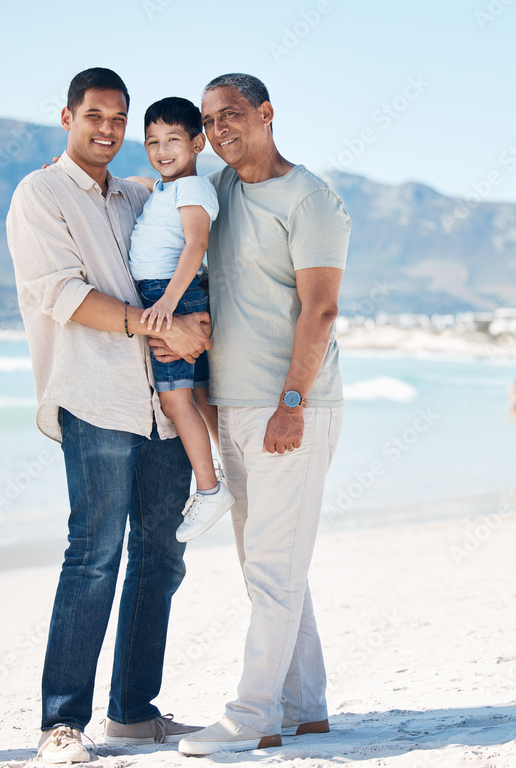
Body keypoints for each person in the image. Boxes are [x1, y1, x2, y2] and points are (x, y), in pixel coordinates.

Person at [6, 67, 208, 763]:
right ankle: (62, 723)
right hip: (94, 397)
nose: (108, 130)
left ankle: (132, 712)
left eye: (118, 119)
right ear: (67, 118)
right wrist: (166, 326)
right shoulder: (39, 192)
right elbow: (61, 293)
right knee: (93, 556)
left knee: (162, 555)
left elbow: (190, 206)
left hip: (159, 403)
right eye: (94, 116)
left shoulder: (133, 194)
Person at [166, 73, 350, 755]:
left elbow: (321, 309)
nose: (219, 131)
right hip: (233, 408)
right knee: (269, 568)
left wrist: (292, 404)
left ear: (267, 114)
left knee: (272, 570)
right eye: (210, 122)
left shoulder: (311, 200)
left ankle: (252, 718)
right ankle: (305, 704)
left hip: (290, 411)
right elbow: (161, 200)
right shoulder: (217, 190)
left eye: (232, 116)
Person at [126, 96, 234, 542]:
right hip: (171, 294)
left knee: (175, 401)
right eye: (152, 141)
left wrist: (168, 303)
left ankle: (209, 490)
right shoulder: (167, 187)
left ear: (198, 142)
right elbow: (141, 182)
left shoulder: (191, 189)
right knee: (200, 390)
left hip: (170, 294)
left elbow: (195, 245)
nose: (161, 149)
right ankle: (226, 463)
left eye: (173, 140)